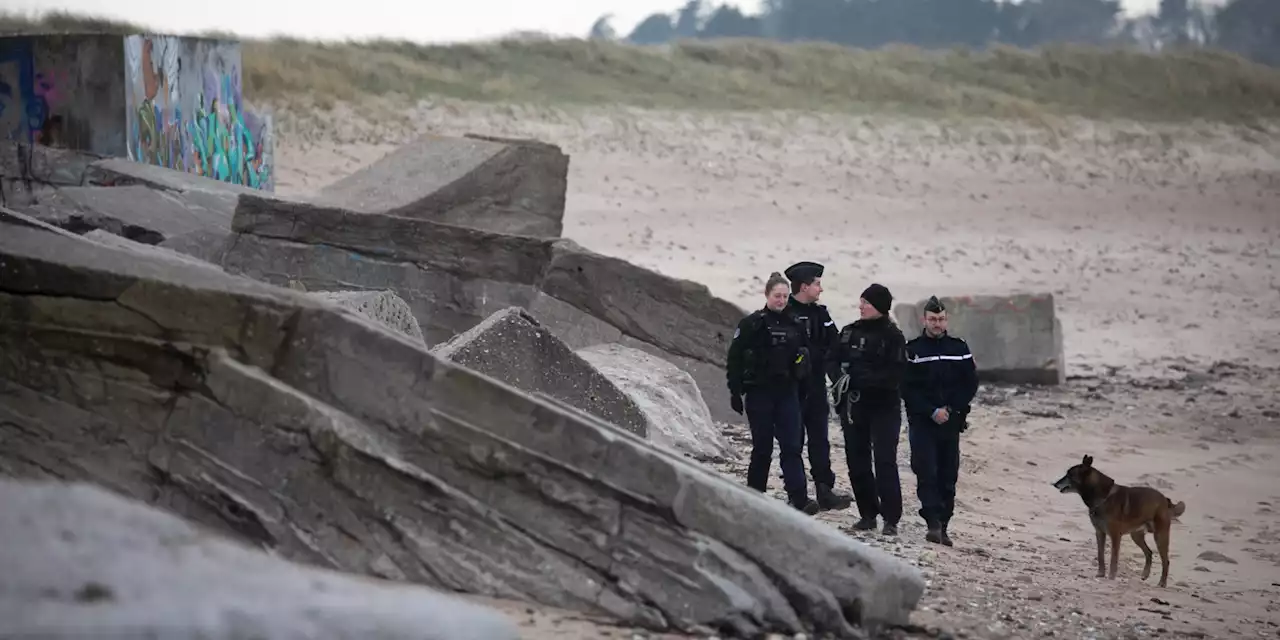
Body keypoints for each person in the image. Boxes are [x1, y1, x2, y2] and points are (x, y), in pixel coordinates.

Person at [726, 272, 821, 515]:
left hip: (787, 393)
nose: (781, 300)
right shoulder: (751, 324)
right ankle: (754, 495)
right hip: (760, 394)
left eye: (785, 296)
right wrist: (735, 391)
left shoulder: (796, 326)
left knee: (791, 446)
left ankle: (799, 497)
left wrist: (805, 392)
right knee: (762, 447)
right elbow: (734, 358)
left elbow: (807, 361)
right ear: (767, 295)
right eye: (777, 296)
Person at [828, 283, 907, 535]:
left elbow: (896, 374)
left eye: (867, 303)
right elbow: (831, 359)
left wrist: (863, 378)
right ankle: (867, 514)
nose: (861, 306)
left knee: (885, 462)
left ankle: (891, 519)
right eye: (861, 301)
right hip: (854, 406)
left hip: (884, 407)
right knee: (857, 461)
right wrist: (840, 379)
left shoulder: (893, 336)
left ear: (881, 308)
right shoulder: (849, 332)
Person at [903, 296, 979, 547]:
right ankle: (932, 523)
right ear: (924, 320)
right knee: (926, 472)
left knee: (948, 475)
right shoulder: (913, 350)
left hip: (950, 421)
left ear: (947, 321)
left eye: (941, 319)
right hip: (923, 422)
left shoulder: (959, 348)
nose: (937, 324)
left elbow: (970, 383)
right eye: (933, 319)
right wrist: (930, 410)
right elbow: (907, 388)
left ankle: (944, 525)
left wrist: (950, 408)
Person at [783, 261, 854, 512]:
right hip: (790, 390)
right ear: (804, 286)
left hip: (815, 388)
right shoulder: (783, 313)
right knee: (792, 442)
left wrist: (840, 381)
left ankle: (825, 491)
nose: (820, 289)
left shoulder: (820, 315)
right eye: (817, 284)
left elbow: (835, 347)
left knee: (820, 441)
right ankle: (797, 494)